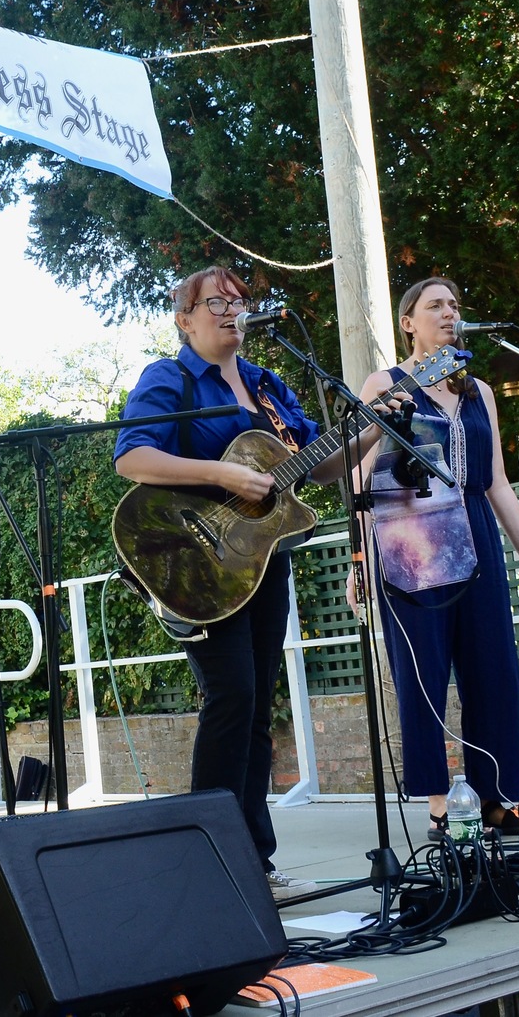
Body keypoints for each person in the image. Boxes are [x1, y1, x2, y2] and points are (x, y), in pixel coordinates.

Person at [114, 265, 400, 903]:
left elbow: (315, 467)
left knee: (254, 713)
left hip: (262, 564)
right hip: (197, 560)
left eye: (239, 300)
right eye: (214, 302)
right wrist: (222, 476)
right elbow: (132, 456)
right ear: (184, 319)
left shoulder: (268, 386)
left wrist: (372, 425)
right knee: (231, 698)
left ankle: (255, 863)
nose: (230, 309)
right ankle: (208, 859)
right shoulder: (170, 378)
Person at [345, 277, 519, 841]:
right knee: (424, 674)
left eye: (455, 305)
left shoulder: (478, 392)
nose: (449, 312)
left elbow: (497, 482)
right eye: (434, 305)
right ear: (408, 323)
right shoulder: (385, 384)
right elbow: (363, 478)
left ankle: (497, 800)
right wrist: (361, 556)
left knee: (493, 671)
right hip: (409, 541)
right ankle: (442, 809)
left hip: (477, 536)